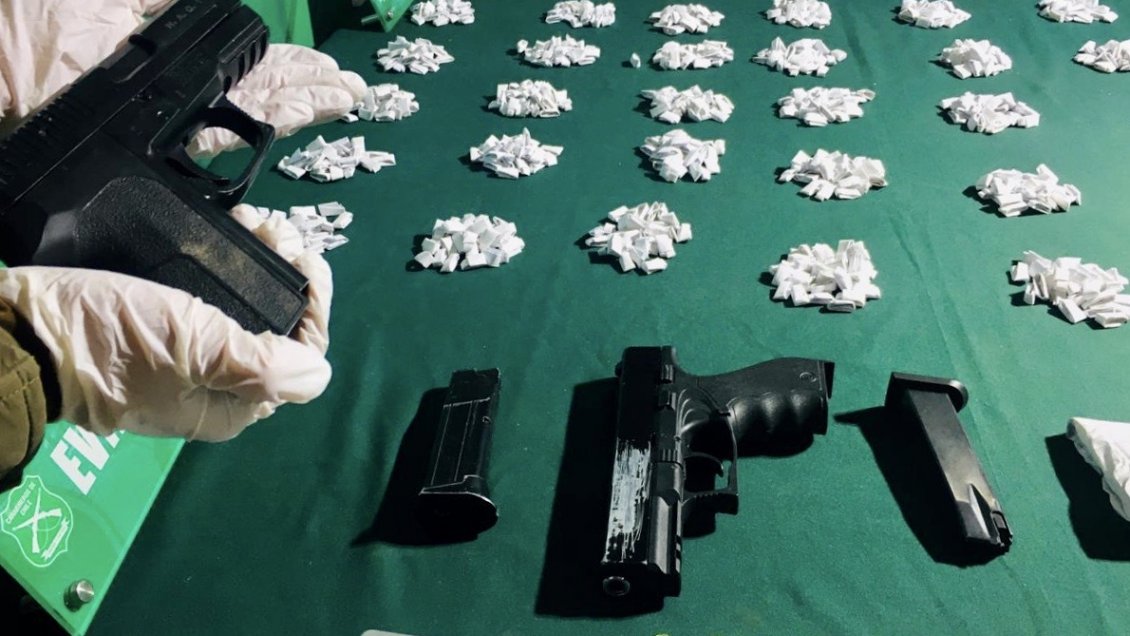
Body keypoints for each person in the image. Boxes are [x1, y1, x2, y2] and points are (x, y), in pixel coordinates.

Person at [0, 0, 367, 489]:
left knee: (261, 328)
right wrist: (31, 351)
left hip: (50, 167)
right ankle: (262, 316)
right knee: (264, 319)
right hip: (57, 166)